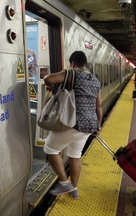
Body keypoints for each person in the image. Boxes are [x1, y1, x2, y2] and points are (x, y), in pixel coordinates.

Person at [43, 51, 103, 199]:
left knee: (50, 149)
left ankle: (64, 182)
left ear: (73, 63)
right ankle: (74, 189)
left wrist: (51, 86)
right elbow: (99, 106)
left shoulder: (71, 73)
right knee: (75, 155)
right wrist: (98, 126)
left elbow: (48, 78)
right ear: (85, 63)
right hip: (89, 125)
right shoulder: (95, 80)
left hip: (73, 123)